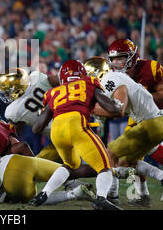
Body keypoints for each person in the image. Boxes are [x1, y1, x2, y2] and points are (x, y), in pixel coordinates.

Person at [85, 56, 163, 204]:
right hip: (155, 123)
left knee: (109, 154)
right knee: (127, 162)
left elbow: (119, 110)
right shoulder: (116, 77)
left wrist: (91, 110)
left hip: (150, 123)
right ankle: (161, 182)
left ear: (95, 72)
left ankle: (112, 197)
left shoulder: (110, 78)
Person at [29, 60, 123, 210]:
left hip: (57, 131)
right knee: (105, 166)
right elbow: (110, 107)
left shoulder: (53, 92)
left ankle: (44, 194)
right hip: (76, 123)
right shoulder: (88, 82)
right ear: (82, 73)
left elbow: (37, 128)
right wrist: (116, 106)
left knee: (69, 165)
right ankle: (101, 199)